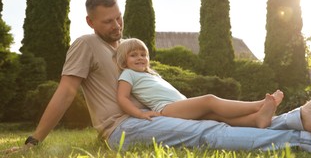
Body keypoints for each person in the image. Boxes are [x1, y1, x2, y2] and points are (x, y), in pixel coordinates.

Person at [12, 0, 311, 153]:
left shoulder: (126, 52)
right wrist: (34, 140)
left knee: (217, 120)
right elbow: (67, 91)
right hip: (123, 127)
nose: (116, 26)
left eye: (118, 18)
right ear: (90, 22)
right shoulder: (86, 43)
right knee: (207, 132)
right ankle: (310, 139)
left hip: (153, 115)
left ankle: (303, 118)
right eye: (107, 21)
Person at [115, 38, 283, 128]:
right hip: (167, 108)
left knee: (218, 116)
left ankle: (257, 120)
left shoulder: (151, 74)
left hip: (179, 105)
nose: (139, 58)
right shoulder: (128, 74)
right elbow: (122, 98)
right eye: (133, 55)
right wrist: (140, 114)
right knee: (209, 100)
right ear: (124, 59)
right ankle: (258, 105)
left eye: (142, 54)